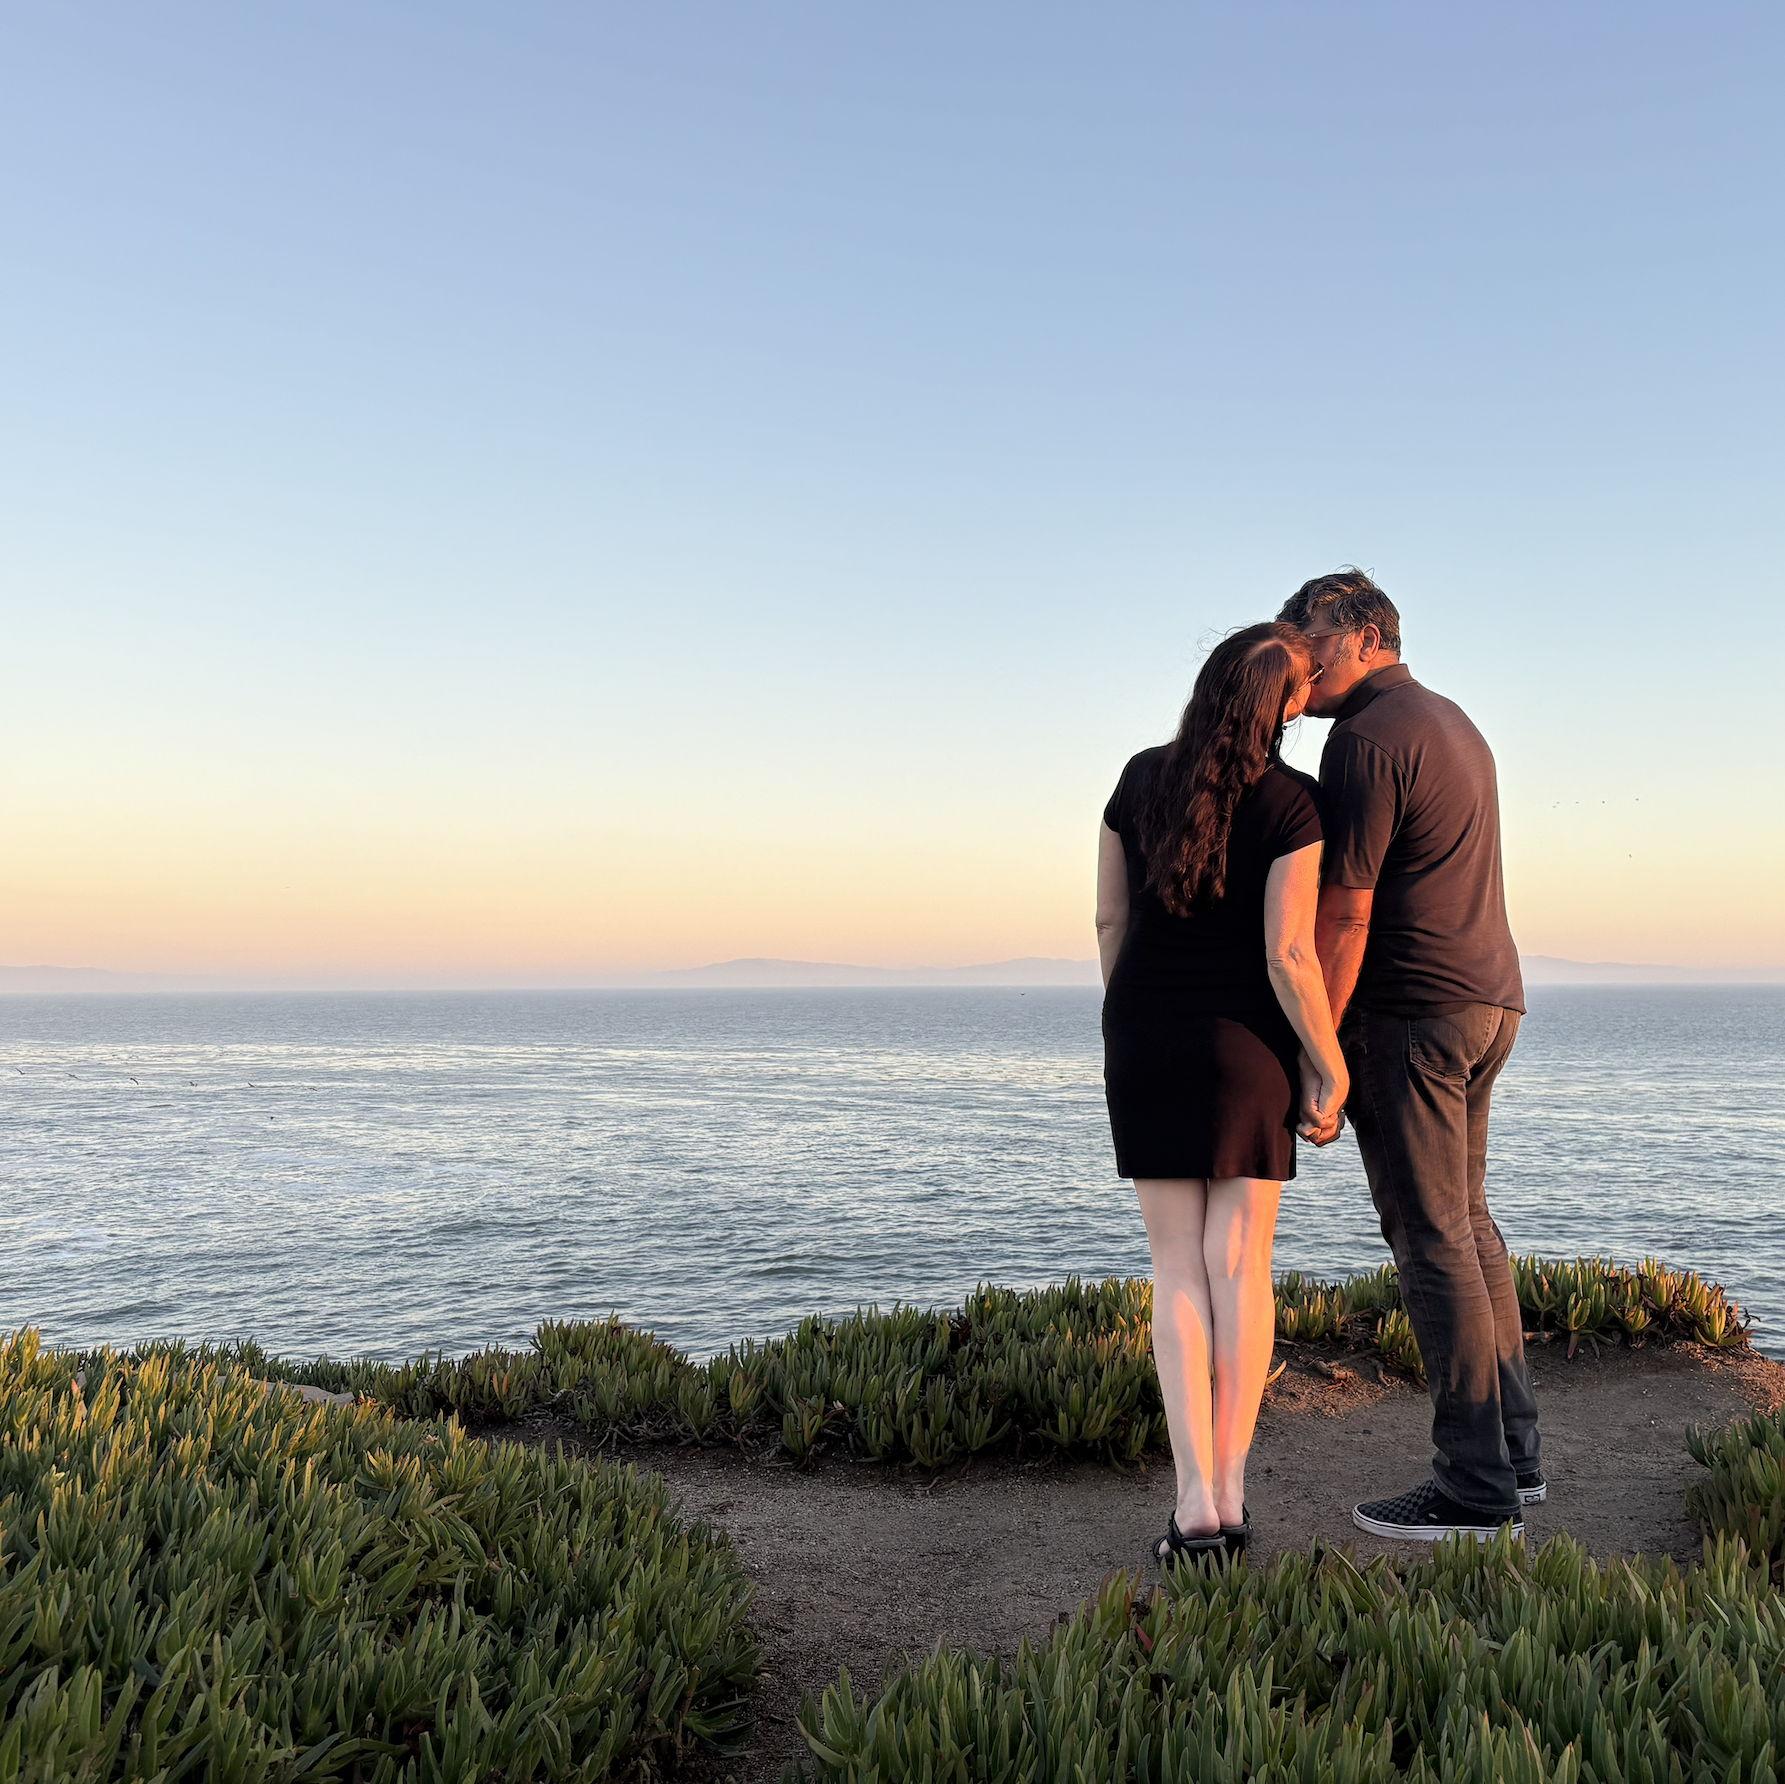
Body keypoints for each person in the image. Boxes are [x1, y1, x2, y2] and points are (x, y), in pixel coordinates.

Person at [1279, 568, 1543, 1544]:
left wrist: (1322, 1051)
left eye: (1312, 632)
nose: (1301, 655)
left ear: (1367, 632)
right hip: (1487, 1000)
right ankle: (1514, 1453)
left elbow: (1346, 910)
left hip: (1414, 1015)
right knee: (1467, 1225)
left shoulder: (1367, 740)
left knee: (1432, 1239)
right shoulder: (1450, 719)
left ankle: (1475, 1486)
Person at [1097, 621, 1347, 1568]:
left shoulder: (1136, 778)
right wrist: (1327, 1062)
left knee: (1175, 1272)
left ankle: (1191, 1503)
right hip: (1248, 1052)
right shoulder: (1293, 801)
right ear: (1283, 707)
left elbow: (1108, 917)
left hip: (1146, 1037)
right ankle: (1232, 1498)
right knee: (1236, 1266)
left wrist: (1130, 1016)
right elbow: (1289, 955)